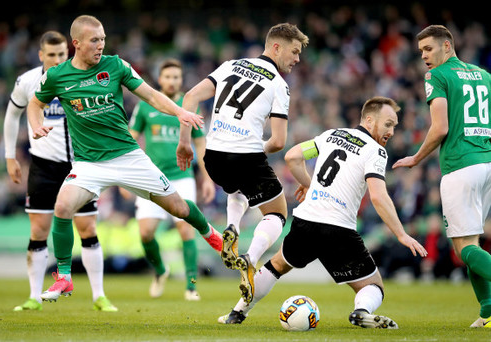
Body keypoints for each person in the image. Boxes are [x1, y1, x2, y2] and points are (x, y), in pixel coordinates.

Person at [26, 15, 223, 302]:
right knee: (62, 206)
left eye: (103, 39)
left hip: (129, 157)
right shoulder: (58, 76)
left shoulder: (115, 65)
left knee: (179, 208)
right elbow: (35, 103)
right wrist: (35, 124)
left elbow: (152, 95)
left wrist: (180, 112)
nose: (101, 45)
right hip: (89, 163)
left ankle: (210, 233)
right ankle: (64, 278)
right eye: (95, 40)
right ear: (76, 43)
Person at [218, 97, 428, 328]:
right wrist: (401, 234)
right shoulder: (375, 151)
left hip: (305, 221)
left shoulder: (331, 135)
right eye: (388, 124)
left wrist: (308, 184)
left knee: (275, 265)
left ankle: (237, 312)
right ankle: (361, 311)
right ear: (369, 120)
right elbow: (378, 196)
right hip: (338, 229)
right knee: (374, 285)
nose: (392, 131)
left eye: (395, 126)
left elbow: (293, 157)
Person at [176, 23, 308, 304]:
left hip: (213, 156)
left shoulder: (229, 66)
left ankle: (232, 227)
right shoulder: (278, 85)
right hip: (245, 156)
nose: (297, 58)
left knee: (236, 187)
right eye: (294, 51)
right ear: (276, 47)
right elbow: (278, 141)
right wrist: (254, 147)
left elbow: (189, 98)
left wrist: (185, 141)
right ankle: (252, 257)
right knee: (278, 214)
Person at [3, 30, 117, 312]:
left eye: (61, 55)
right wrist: (9, 156)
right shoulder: (28, 82)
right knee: (39, 229)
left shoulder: (80, 76)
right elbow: (11, 116)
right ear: (41, 55)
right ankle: (33, 297)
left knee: (87, 227)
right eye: (51, 55)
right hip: (43, 165)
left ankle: (99, 296)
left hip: (81, 164)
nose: (56, 60)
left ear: (68, 53)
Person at [393, 25, 491, 328]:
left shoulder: (437, 76)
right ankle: (487, 311)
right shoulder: (484, 76)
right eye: (421, 51)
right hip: (485, 164)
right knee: (471, 240)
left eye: (429, 49)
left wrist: (415, 158)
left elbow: (440, 128)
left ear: (447, 46)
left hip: (460, 166)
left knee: (464, 248)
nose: (423, 56)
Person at [128, 58, 215, 301]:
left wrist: (207, 179)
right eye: (167, 76)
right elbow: (130, 138)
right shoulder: (146, 105)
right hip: (151, 177)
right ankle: (160, 271)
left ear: (180, 79)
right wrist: (126, 176)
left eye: (176, 77)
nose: (172, 81)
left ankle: (191, 285)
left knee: (186, 230)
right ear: (160, 78)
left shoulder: (189, 105)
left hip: (182, 176)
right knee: (145, 234)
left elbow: (200, 143)